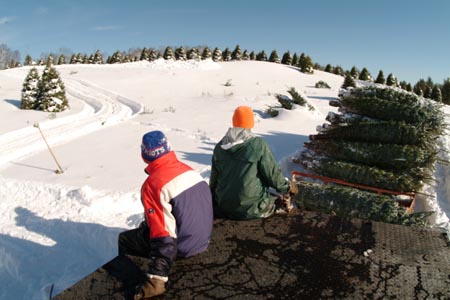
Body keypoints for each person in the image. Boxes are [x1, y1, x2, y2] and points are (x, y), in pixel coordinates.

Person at [118, 130, 213, 299]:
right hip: (203, 240)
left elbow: (164, 234)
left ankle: (125, 278)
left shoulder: (153, 185)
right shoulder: (190, 171)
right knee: (149, 226)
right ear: (168, 148)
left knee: (124, 239)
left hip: (184, 247)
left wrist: (157, 279)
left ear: (145, 155)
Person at [209, 105, 291, 220]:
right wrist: (286, 188)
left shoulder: (220, 147)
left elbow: (214, 179)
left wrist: (212, 201)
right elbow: (272, 175)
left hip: (224, 206)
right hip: (253, 208)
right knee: (275, 200)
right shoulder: (257, 145)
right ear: (250, 123)